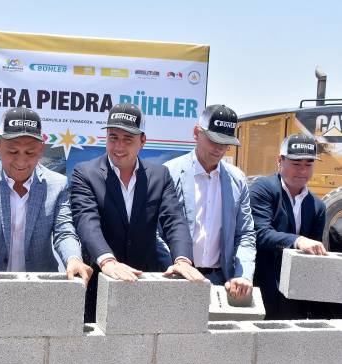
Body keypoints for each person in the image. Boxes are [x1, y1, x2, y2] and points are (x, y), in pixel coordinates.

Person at [70, 103, 205, 322]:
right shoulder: (85, 174)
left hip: (144, 284)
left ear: (142, 140)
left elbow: (174, 219)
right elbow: (86, 221)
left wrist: (182, 260)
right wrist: (107, 261)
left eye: (128, 139)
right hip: (100, 284)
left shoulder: (160, 176)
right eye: (113, 137)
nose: (119, 146)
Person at [0, 107, 92, 317]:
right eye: (12, 152)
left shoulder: (57, 184)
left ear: (41, 149)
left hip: (38, 292)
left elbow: (64, 231)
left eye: (30, 153)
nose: (21, 161)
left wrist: (73, 259)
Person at [157, 105, 256, 300]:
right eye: (213, 140)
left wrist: (243, 274)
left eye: (226, 143)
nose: (219, 148)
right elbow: (154, 231)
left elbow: (245, 234)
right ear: (196, 133)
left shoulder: (237, 180)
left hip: (219, 281)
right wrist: (175, 265)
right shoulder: (168, 173)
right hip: (174, 278)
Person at [250, 134, 328, 319]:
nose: (303, 170)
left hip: (295, 297)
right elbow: (260, 234)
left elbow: (312, 258)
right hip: (261, 287)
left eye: (308, 164)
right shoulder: (263, 188)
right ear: (280, 161)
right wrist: (297, 241)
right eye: (296, 163)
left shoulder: (317, 206)